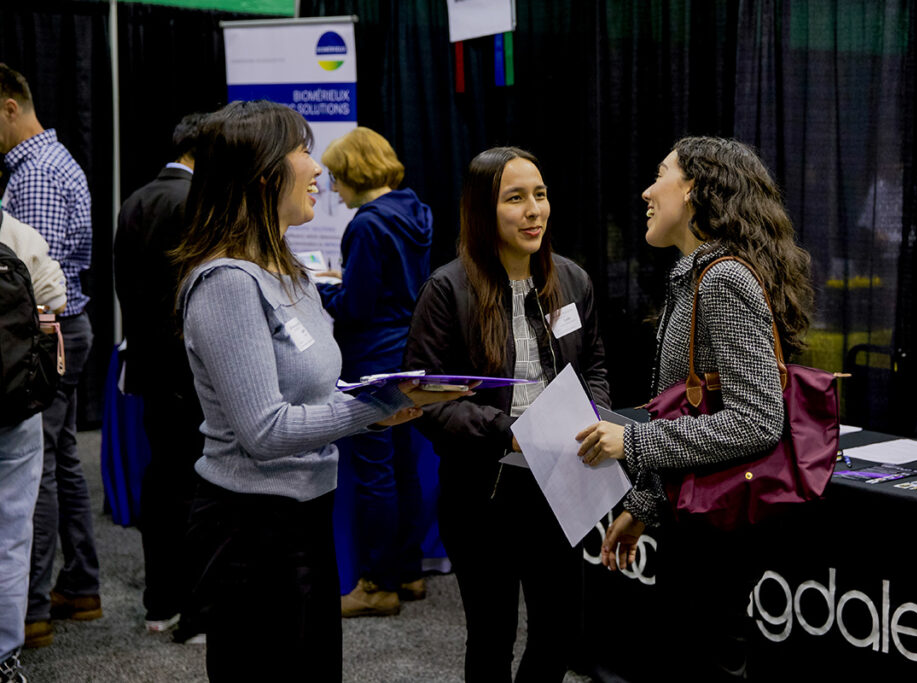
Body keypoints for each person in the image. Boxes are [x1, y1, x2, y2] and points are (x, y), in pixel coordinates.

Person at [172, 100, 468, 681]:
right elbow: (264, 432)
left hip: (306, 517)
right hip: (250, 531)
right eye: (304, 152)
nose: (318, 171)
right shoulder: (227, 283)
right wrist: (376, 404)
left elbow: (313, 395)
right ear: (263, 176)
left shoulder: (292, 273)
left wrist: (394, 404)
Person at [575, 136, 813, 677]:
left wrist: (632, 441)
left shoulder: (723, 278)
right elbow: (692, 415)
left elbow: (756, 420)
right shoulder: (699, 276)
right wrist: (647, 504)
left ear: (696, 189)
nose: (645, 191)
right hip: (700, 519)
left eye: (661, 173)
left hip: (719, 530)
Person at [404, 146, 610, 682]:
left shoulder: (572, 280)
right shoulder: (447, 290)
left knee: (559, 632)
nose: (534, 210)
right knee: (492, 636)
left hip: (563, 482)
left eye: (540, 195)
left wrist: (599, 420)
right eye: (515, 198)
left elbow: (594, 366)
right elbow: (426, 401)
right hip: (484, 492)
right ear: (481, 210)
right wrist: (507, 433)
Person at [0, 63, 99, 650]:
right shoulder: (49, 161)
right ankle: (80, 585)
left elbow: (21, 288)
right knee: (59, 461)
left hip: (41, 334)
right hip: (62, 328)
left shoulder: (34, 173)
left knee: (29, 472)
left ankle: (30, 613)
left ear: (10, 106)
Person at [317, 126, 434, 616]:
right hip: (410, 355)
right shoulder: (416, 212)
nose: (333, 190)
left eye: (337, 178)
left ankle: (378, 584)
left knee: (373, 474)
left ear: (354, 173)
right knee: (403, 466)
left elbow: (356, 308)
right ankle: (407, 573)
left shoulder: (366, 224)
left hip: (371, 361)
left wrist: (319, 289)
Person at [113, 112, 207, 640]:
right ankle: (193, 613)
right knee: (192, 487)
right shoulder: (192, 202)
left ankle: (160, 603)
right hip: (187, 373)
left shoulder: (135, 199)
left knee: (161, 482)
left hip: (148, 368)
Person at [0, 208, 66, 683]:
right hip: (14, 405)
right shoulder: (16, 231)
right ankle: (4, 656)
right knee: (11, 536)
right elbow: (55, 295)